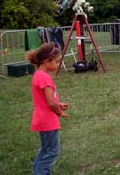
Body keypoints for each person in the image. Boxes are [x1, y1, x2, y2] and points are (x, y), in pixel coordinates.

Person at [27, 42, 70, 175]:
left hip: (41, 118)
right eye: (56, 62)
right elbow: (51, 103)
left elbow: (47, 100)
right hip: (48, 121)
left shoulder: (38, 75)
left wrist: (59, 104)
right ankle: (41, 172)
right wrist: (60, 112)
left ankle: (38, 171)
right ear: (47, 61)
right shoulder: (45, 78)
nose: (58, 65)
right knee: (53, 151)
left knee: (45, 149)